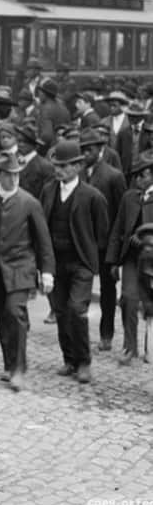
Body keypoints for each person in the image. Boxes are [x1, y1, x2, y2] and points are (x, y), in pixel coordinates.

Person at [0, 151, 56, 391]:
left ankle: (19, 369)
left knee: (15, 313)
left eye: (17, 174)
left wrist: (47, 272)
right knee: (1, 317)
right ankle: (9, 363)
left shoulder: (29, 203)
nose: (14, 179)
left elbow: (43, 241)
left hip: (20, 268)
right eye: (8, 174)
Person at [40, 140, 109, 384]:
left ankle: (84, 362)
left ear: (78, 166)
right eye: (57, 165)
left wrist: (93, 262)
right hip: (55, 263)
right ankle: (69, 359)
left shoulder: (93, 197)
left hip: (81, 263)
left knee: (76, 310)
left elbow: (102, 235)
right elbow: (41, 227)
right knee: (60, 311)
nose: (59, 170)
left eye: (65, 166)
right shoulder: (48, 191)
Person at [80, 128, 126, 352]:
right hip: (82, 241)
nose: (86, 153)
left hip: (106, 242)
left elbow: (122, 213)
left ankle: (106, 333)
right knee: (81, 287)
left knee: (107, 290)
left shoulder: (113, 176)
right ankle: (79, 333)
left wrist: (116, 248)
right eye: (83, 150)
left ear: (100, 149)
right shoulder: (76, 173)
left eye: (90, 149)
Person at [105, 150, 153, 365]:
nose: (138, 180)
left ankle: (148, 347)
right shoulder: (129, 198)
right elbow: (117, 230)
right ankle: (130, 347)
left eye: (143, 175)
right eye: (136, 175)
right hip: (132, 259)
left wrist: (144, 237)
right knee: (128, 299)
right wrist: (114, 261)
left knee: (150, 305)